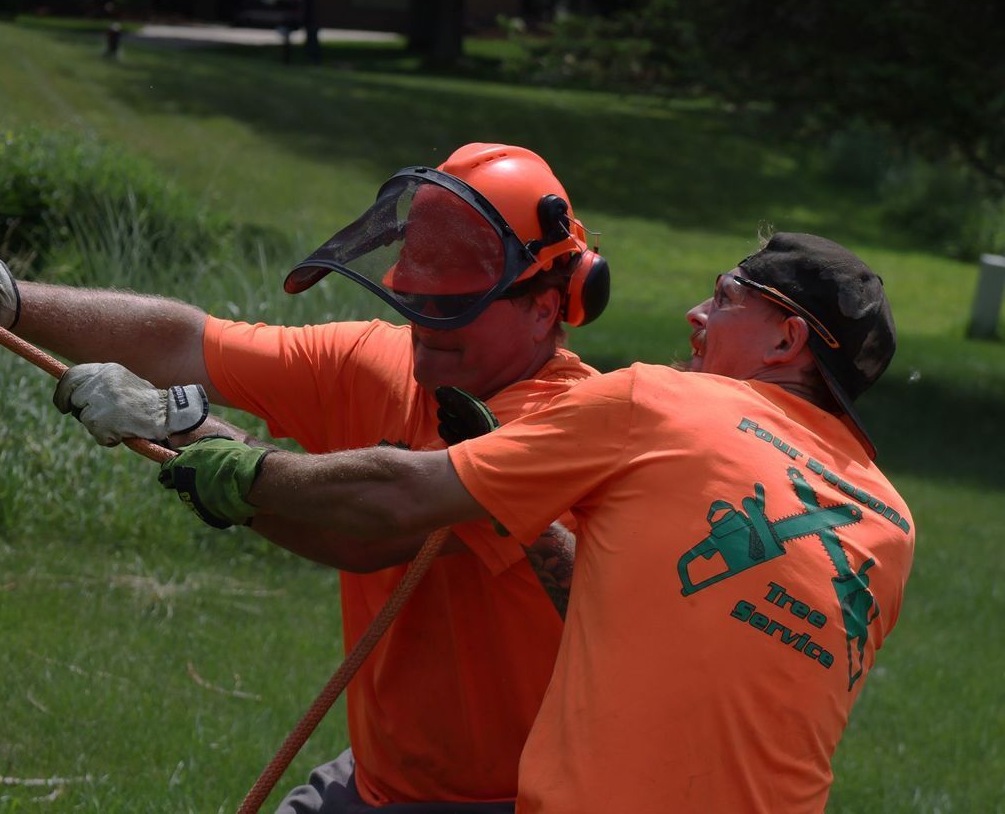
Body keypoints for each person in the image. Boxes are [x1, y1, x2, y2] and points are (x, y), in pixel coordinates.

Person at [0, 143, 612, 810]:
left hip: (513, 800)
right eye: (414, 301)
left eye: (453, 310)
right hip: (383, 781)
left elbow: (377, 525)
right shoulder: (385, 362)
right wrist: (7, 298)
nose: (426, 329)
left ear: (546, 308)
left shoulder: (570, 429)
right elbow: (187, 341)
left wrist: (191, 430)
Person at [156, 232, 916, 813]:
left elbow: (398, 500)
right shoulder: (889, 524)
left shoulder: (661, 401)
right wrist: (510, 496)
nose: (696, 314)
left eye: (725, 297)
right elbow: (663, 614)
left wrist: (231, 462)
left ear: (788, 341)